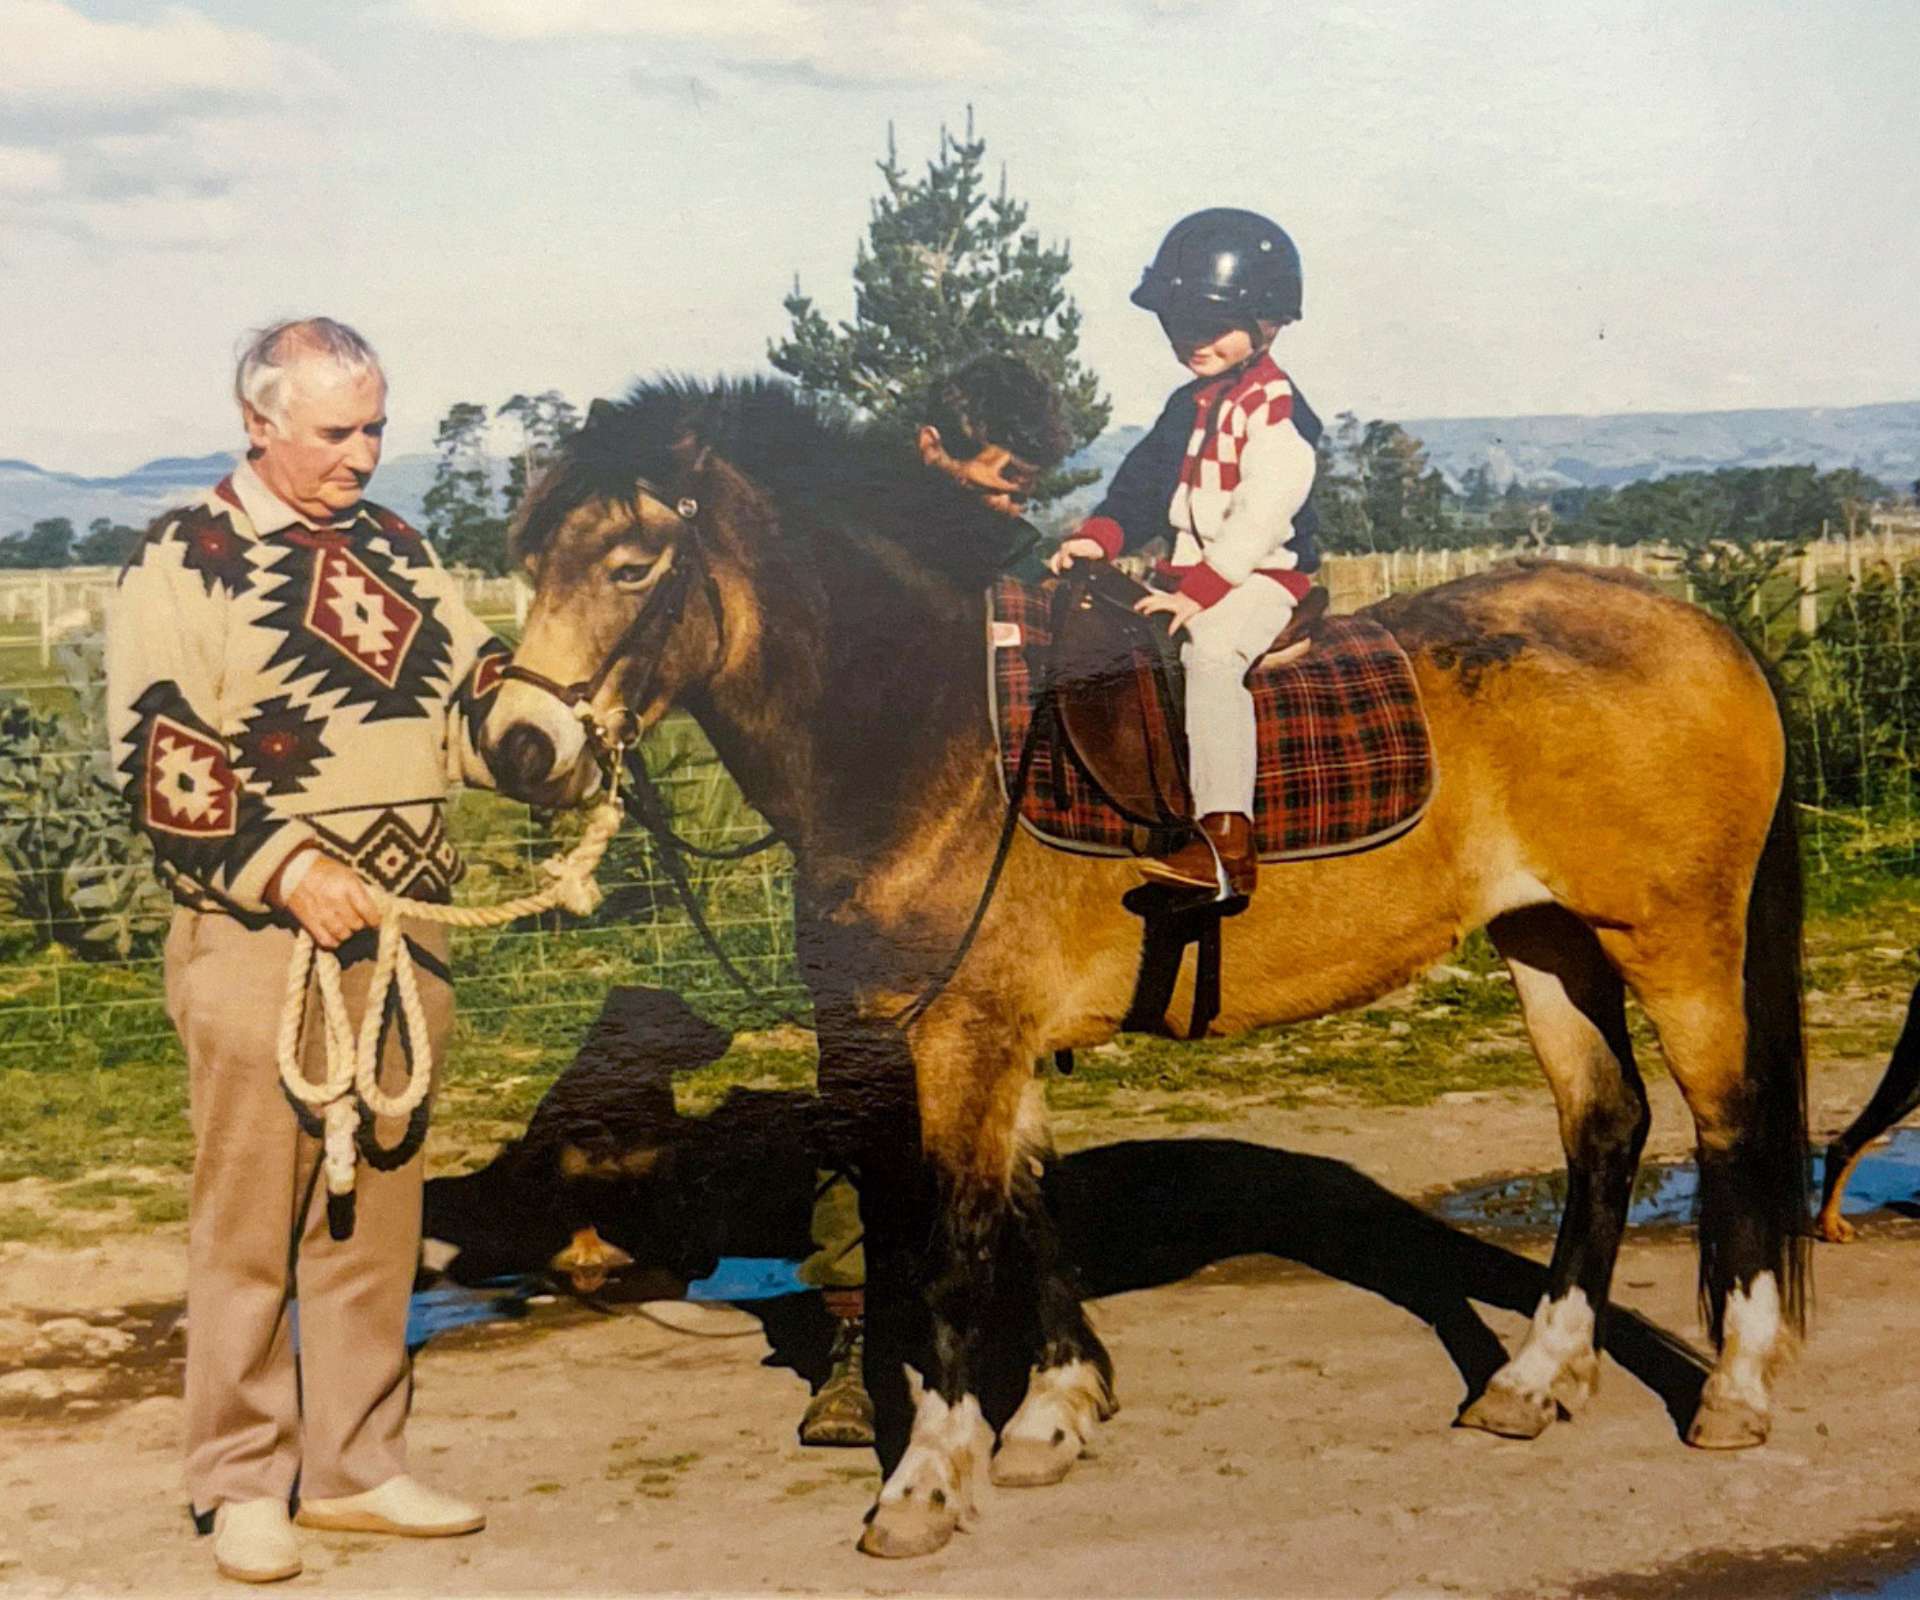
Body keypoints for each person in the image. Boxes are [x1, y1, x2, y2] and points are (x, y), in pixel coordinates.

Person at [106, 318, 522, 1584]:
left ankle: (355, 1466)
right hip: (256, 936)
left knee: (375, 1206)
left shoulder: (401, 546)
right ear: (260, 421)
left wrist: (539, 739)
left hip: (406, 934)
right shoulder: (186, 557)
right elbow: (158, 746)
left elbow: (469, 695)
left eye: (375, 426)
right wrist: (287, 866)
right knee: (252, 1219)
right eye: (337, 431)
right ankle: (241, 1478)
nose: (364, 454)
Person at [796, 352, 1076, 1449]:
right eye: (1003, 477)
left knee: (994, 1104)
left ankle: (1023, 1325)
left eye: (1029, 487)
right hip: (856, 869)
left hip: (975, 874)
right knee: (858, 1103)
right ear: (931, 449)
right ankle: (855, 1339)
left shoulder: (995, 544)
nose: (1015, 506)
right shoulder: (841, 551)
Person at [1050, 208, 1325, 899]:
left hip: (1259, 575)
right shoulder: (1187, 406)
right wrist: (1099, 535)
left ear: (1269, 323)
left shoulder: (1280, 413)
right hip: (1187, 574)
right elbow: (1141, 486)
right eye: (1178, 323)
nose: (1190, 340)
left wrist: (1200, 591)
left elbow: (1261, 516)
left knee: (1209, 654)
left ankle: (1226, 841)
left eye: (1210, 325)